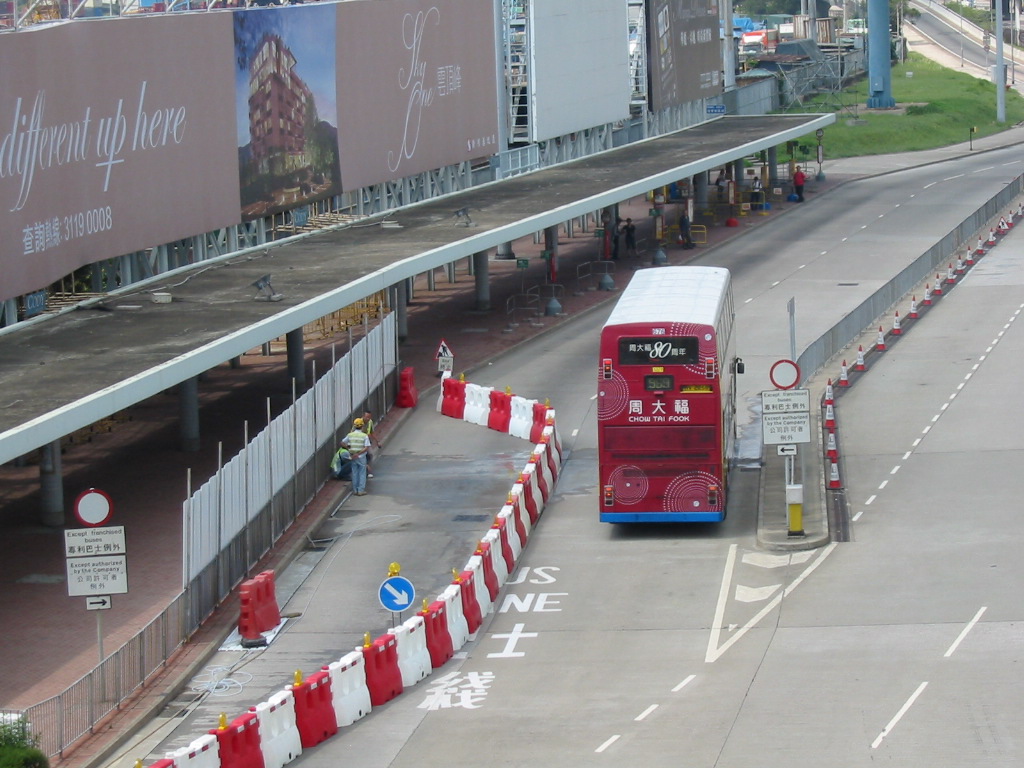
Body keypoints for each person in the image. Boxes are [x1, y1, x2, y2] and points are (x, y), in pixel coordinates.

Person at [341, 418, 370, 496]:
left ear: (354, 426)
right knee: (362, 473)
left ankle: (355, 490)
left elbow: (342, 442)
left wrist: (348, 448)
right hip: (361, 457)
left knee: (354, 472)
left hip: (352, 456)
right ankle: (360, 490)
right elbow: (366, 447)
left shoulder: (350, 435)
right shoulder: (364, 436)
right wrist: (359, 453)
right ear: (362, 426)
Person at [361, 410, 379, 478]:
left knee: (370, 455)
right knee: (361, 456)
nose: (368, 419)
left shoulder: (370, 422)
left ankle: (368, 470)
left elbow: (372, 432)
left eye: (369, 417)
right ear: (363, 416)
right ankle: (366, 469)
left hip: (367, 442)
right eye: (366, 417)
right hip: (360, 443)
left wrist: (377, 441)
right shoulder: (358, 422)